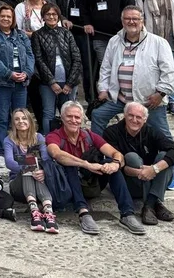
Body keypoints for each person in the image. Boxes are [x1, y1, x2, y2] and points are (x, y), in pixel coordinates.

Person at [46, 100, 145, 235]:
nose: (74, 120)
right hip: (67, 185)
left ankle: (127, 213)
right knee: (70, 164)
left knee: (110, 163)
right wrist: (86, 164)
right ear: (62, 118)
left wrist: (115, 164)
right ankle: (83, 212)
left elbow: (117, 154)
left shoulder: (89, 135)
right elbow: (56, 154)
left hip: (90, 182)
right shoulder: (54, 135)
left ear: (82, 119)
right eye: (69, 116)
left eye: (77, 117)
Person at [92, 6, 174, 137]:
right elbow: (106, 68)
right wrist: (103, 89)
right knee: (98, 115)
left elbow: (169, 72)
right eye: (127, 18)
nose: (131, 22)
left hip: (149, 100)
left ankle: (169, 151)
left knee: (162, 134)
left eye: (135, 19)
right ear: (122, 21)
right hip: (121, 99)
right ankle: (99, 147)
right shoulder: (114, 41)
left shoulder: (158, 42)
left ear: (142, 21)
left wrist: (160, 94)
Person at [104, 101, 174, 225]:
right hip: (129, 183)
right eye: (131, 115)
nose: (134, 120)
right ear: (124, 115)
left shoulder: (151, 131)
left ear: (145, 119)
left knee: (165, 156)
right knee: (131, 157)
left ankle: (149, 205)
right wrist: (141, 172)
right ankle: (155, 202)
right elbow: (116, 164)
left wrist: (154, 169)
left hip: (153, 178)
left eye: (139, 117)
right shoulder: (111, 132)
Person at [0, 3, 34, 165]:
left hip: (21, 83)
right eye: (3, 16)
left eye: (9, 16)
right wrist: (9, 74)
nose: (6, 19)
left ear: (13, 19)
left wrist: (27, 73)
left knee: (21, 118)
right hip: (2, 83)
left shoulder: (21, 35)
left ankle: (22, 149)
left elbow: (30, 55)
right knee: (1, 118)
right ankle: (1, 151)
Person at [3, 108, 58, 233]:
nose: (20, 121)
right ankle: (34, 211)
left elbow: (46, 159)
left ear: (30, 121)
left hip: (39, 183)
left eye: (24, 118)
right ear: (13, 123)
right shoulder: (9, 140)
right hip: (18, 186)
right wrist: (28, 166)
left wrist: (43, 171)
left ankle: (48, 212)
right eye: (17, 119)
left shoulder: (39, 137)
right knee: (29, 163)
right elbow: (9, 162)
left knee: (35, 165)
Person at [30, 3, 82, 134]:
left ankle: (69, 139)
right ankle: (49, 140)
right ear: (43, 17)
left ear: (58, 16)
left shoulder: (67, 33)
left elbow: (76, 58)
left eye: (54, 14)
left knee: (69, 112)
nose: (51, 17)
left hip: (69, 82)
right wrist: (52, 82)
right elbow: (39, 60)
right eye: (48, 14)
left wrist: (70, 83)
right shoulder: (37, 35)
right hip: (48, 83)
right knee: (48, 112)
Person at [79, 0, 136, 75]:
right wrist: (87, 23)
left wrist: (127, 28)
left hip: (120, 36)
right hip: (99, 36)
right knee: (106, 66)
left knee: (122, 65)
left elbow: (129, 8)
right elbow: (83, 7)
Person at [54, 0, 95, 100]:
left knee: (87, 65)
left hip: (85, 33)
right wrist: (63, 19)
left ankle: (90, 96)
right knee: (69, 64)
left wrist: (89, 23)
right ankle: (70, 96)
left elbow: (93, 8)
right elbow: (55, 9)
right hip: (66, 33)